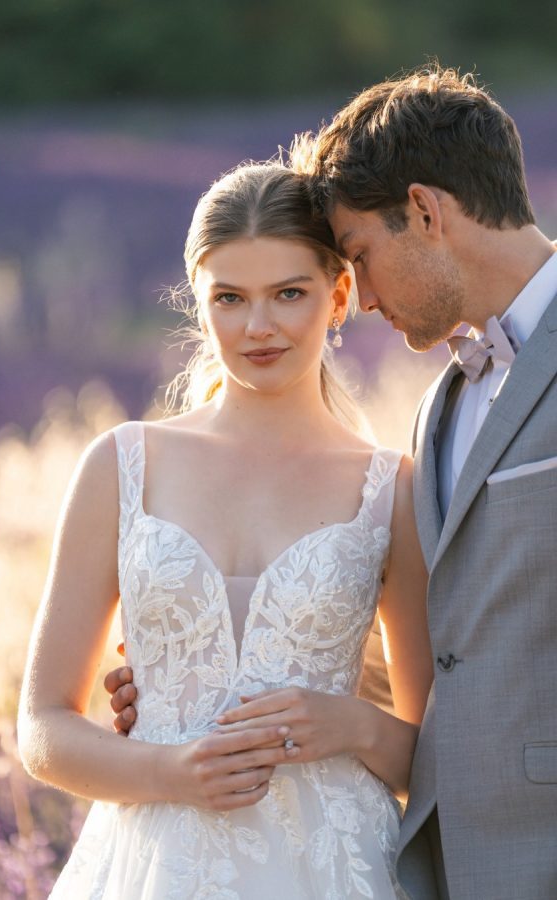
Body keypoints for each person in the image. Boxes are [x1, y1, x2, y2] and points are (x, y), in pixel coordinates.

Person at [111, 68, 557, 900]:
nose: (365, 296)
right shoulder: (443, 407)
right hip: (457, 856)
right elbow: (463, 641)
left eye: (358, 256)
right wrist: (197, 677)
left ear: (424, 212)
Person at [18, 161, 433, 899]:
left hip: (336, 869)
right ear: (199, 304)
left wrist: (356, 726)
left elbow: (436, 755)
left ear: (338, 297)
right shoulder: (122, 465)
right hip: (153, 866)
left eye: (290, 295)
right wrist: (169, 771)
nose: (258, 326)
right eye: (231, 298)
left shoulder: (391, 488)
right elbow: (42, 727)